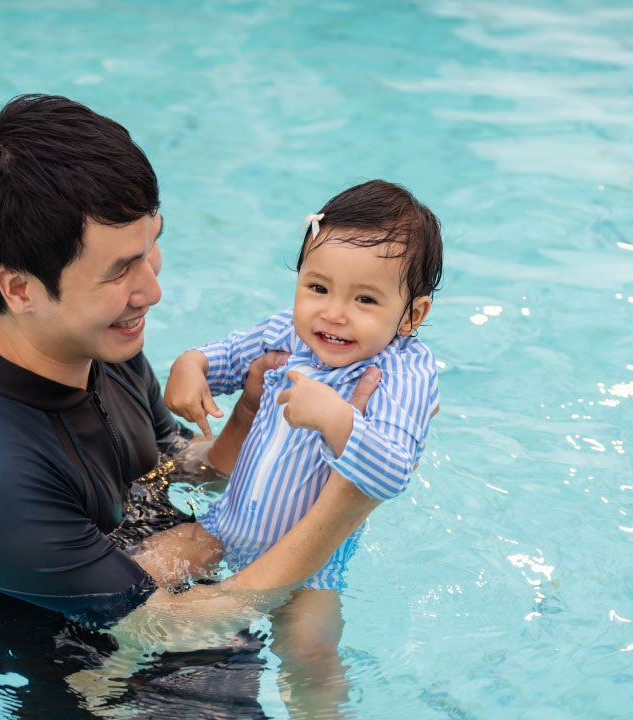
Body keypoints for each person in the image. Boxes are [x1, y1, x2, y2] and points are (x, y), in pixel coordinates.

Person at [0, 93, 384, 717]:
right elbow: (167, 628)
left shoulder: (96, 342)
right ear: (19, 289)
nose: (153, 289)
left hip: (198, 608)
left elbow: (173, 465)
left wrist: (254, 418)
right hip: (106, 683)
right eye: (120, 270)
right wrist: (351, 497)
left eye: (151, 246)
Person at [138, 179, 443, 715]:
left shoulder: (406, 372)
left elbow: (393, 471)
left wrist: (337, 418)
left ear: (412, 315)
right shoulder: (289, 332)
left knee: (311, 653)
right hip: (225, 525)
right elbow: (228, 355)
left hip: (311, 569)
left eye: (365, 299)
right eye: (318, 288)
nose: (333, 313)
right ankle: (101, 678)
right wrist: (193, 364)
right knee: (137, 581)